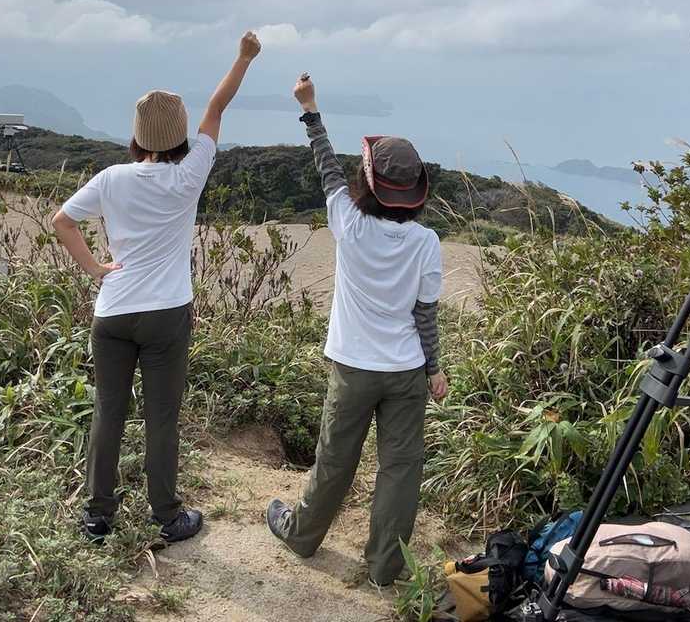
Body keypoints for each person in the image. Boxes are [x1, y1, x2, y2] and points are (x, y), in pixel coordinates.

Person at [52, 31, 262, 545]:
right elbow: (217, 106)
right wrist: (244, 57)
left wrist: (96, 269)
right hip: (166, 314)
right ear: (180, 135)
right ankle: (167, 515)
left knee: (108, 412)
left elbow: (62, 221)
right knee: (161, 416)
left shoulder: (110, 178)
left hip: (113, 312)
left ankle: (97, 517)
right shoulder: (189, 175)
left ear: (138, 136)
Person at [265, 71, 447, 586]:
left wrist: (310, 111)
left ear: (367, 183)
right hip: (406, 371)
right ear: (415, 192)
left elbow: (326, 167)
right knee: (400, 470)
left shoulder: (349, 222)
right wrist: (434, 369)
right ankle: (385, 569)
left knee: (335, 459)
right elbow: (425, 315)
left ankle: (302, 535)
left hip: (353, 368)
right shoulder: (426, 243)